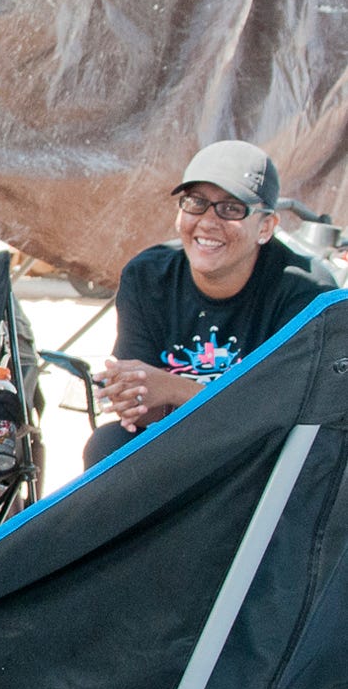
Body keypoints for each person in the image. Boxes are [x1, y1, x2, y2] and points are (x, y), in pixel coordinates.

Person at [84, 140, 332, 467]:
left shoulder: (305, 291)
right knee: (107, 445)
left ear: (266, 227)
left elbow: (280, 417)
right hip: (180, 439)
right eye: (196, 202)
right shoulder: (147, 277)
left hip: (263, 459)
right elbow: (146, 409)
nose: (208, 221)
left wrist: (176, 389)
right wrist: (133, 398)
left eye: (231, 208)